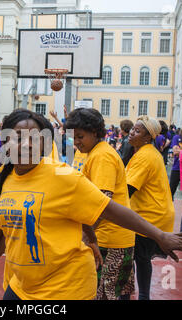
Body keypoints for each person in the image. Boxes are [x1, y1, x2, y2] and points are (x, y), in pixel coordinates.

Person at [0, 109, 182, 300]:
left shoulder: (62, 176)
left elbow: (107, 209)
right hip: (24, 283)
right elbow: (2, 221)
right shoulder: (5, 176)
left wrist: (160, 236)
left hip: (65, 285)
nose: (27, 144)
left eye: (35, 138)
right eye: (18, 137)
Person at [65, 108, 136, 300]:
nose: (77, 142)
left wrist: (84, 238)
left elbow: (101, 203)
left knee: (104, 294)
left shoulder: (102, 156)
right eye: (74, 137)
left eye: (80, 136)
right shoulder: (95, 152)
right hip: (111, 237)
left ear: (95, 132)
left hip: (109, 240)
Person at [125, 116, 175, 300]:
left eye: (138, 131)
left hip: (150, 214)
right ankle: (143, 295)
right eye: (133, 129)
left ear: (148, 137)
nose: (132, 132)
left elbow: (127, 190)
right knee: (141, 258)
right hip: (154, 212)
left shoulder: (145, 156)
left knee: (135, 257)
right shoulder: (146, 152)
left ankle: (141, 295)